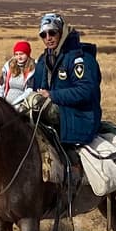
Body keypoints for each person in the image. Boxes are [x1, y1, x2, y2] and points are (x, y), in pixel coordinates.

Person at [22, 12, 102, 179]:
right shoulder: (44, 60)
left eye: (52, 32)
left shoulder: (80, 58)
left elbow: (86, 90)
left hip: (78, 115)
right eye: (43, 35)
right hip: (58, 108)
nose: (48, 38)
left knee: (36, 109)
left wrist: (52, 95)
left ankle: (70, 170)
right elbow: (38, 88)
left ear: (61, 32)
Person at [0, 40, 36, 107]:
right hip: (5, 103)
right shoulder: (9, 67)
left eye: (21, 54)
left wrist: (15, 104)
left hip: (22, 104)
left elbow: (29, 91)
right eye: (16, 54)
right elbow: (2, 85)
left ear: (27, 54)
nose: (19, 57)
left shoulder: (33, 69)